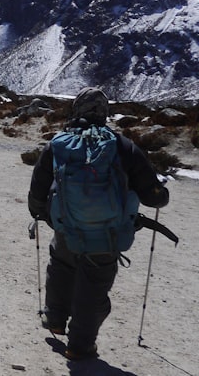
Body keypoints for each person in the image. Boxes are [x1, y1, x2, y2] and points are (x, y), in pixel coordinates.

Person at [27, 87, 170, 361]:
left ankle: (55, 319)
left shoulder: (58, 144)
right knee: (93, 286)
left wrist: (44, 215)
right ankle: (80, 346)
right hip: (107, 234)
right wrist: (161, 197)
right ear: (105, 114)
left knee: (61, 268)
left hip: (66, 228)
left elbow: (38, 189)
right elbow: (153, 197)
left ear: (76, 111)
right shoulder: (123, 147)